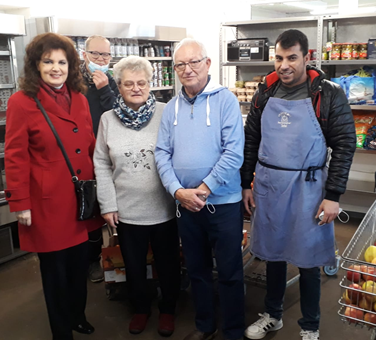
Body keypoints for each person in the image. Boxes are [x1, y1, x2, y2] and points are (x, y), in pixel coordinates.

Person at [240, 29, 356, 340]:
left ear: (307, 57)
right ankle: (273, 315)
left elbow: (345, 143)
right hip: (269, 184)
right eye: (279, 58)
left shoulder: (327, 94)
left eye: (292, 58)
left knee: (308, 259)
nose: (284, 65)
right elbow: (251, 139)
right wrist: (245, 183)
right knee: (273, 253)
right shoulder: (264, 93)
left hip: (309, 187)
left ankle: (310, 326)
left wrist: (333, 195)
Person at [4, 32, 100, 340]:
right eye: (48, 62)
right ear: (36, 65)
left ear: (71, 66)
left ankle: (77, 315)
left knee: (79, 264)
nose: (56, 68)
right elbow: (15, 155)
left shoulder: (81, 99)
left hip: (81, 197)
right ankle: (62, 331)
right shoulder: (22, 102)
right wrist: (20, 202)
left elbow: (89, 146)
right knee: (55, 272)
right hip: (46, 203)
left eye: (62, 62)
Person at [155, 38, 246, 340]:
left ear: (208, 64)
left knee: (231, 271)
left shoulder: (226, 101)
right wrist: (177, 191)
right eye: (180, 64)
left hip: (224, 203)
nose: (187, 69)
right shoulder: (171, 109)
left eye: (194, 62)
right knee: (197, 270)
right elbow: (161, 153)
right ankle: (205, 325)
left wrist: (205, 188)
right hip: (185, 204)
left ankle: (232, 330)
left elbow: (234, 153)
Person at [93, 56, 180, 337]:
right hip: (127, 210)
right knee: (133, 266)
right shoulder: (107, 119)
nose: (136, 88)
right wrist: (107, 204)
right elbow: (101, 164)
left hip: (165, 208)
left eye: (141, 82)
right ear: (118, 86)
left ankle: (168, 309)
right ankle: (140, 309)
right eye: (128, 83)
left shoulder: (167, 113)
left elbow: (180, 155)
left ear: (150, 84)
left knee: (168, 264)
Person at [80, 35, 119, 283]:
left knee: (105, 209)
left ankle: (107, 257)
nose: (100, 60)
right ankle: (88, 260)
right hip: (81, 156)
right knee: (87, 209)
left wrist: (104, 88)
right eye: (95, 54)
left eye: (105, 55)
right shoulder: (72, 82)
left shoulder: (110, 81)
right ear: (84, 55)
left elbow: (118, 112)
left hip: (106, 154)